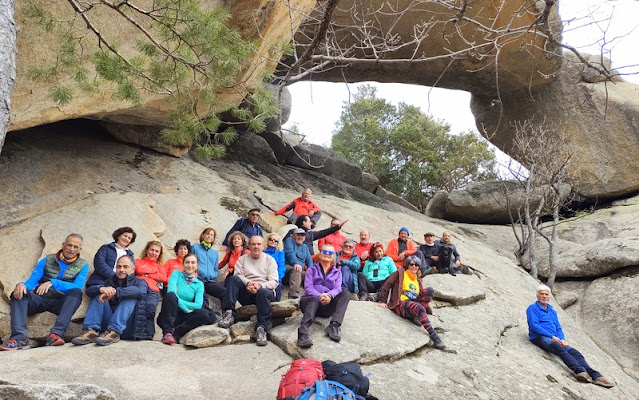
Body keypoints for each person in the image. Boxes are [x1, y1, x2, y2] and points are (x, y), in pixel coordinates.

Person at [0, 234, 88, 350]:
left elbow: (77, 286)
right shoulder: (47, 260)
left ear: (80, 249)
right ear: (63, 245)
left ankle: (56, 335)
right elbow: (32, 282)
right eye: (69, 245)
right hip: (40, 299)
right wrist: (21, 284)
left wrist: (53, 282)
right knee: (18, 293)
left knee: (76, 292)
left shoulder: (83, 265)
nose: (72, 249)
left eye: (76, 247)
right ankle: (19, 339)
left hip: (60, 304)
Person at [526, 285, 615, 388]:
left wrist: (562, 339)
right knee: (558, 348)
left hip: (554, 338)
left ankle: (596, 376)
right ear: (537, 295)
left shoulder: (552, 311)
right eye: (542, 294)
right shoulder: (532, 308)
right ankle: (580, 371)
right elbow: (534, 325)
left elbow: (558, 328)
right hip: (539, 337)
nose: (544, 296)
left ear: (549, 296)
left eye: (546, 294)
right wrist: (553, 337)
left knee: (576, 353)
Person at [72, 255, 148, 346]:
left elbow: (140, 291)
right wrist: (101, 289)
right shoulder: (109, 282)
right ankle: (91, 332)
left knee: (130, 296)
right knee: (98, 295)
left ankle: (114, 332)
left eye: (125, 267)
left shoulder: (140, 282)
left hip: (128, 327)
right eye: (119, 266)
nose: (121, 269)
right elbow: (89, 291)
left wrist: (115, 292)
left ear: (133, 269)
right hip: (107, 328)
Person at [218, 236, 279, 347]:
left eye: (259, 244)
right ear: (249, 246)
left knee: (263, 292)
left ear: (263, 246)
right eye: (253, 244)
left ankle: (261, 329)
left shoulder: (270, 260)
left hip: (264, 292)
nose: (256, 247)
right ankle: (229, 313)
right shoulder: (242, 259)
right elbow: (238, 275)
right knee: (233, 279)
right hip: (247, 291)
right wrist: (248, 283)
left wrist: (260, 286)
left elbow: (274, 281)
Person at [378, 256, 445, 349]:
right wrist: (383, 301)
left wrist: (430, 312)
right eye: (411, 264)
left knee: (429, 290)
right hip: (401, 304)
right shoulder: (400, 273)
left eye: (417, 265)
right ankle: (434, 335)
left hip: (415, 303)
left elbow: (423, 299)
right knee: (419, 307)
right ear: (407, 265)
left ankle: (415, 316)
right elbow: (387, 285)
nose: (414, 267)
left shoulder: (418, 280)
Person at [297, 245, 351, 348]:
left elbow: (337, 289)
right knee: (313, 298)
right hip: (310, 302)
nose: (327, 254)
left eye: (331, 253)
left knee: (346, 293)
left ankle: (334, 326)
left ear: (333, 256)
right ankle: (303, 334)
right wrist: (320, 295)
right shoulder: (311, 270)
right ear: (320, 254)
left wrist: (329, 296)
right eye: (325, 251)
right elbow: (308, 288)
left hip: (327, 305)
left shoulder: (337, 272)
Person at [157, 253, 217, 344]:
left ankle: (177, 334)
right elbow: (171, 293)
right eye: (187, 262)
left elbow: (198, 305)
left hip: (185, 317)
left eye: (193, 263)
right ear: (183, 264)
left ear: (197, 265)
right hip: (171, 314)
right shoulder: (176, 274)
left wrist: (179, 300)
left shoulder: (199, 284)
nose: (190, 265)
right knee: (171, 296)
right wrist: (185, 307)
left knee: (204, 313)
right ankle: (168, 333)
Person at [135, 240, 167, 338]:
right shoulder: (138, 261)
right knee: (139, 308)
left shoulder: (160, 267)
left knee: (150, 309)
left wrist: (146, 274)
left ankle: (149, 335)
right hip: (140, 287)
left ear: (159, 254)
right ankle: (136, 334)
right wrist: (154, 272)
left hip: (153, 290)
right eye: (152, 250)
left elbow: (164, 278)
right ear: (146, 250)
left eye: (156, 251)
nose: (154, 253)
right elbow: (138, 269)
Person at [192, 228, 226, 307]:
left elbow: (215, 269)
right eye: (207, 234)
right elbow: (191, 262)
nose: (209, 236)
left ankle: (226, 314)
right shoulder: (195, 248)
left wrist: (212, 275)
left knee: (225, 292)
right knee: (203, 297)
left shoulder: (214, 253)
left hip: (209, 281)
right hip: (198, 279)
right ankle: (207, 316)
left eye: (212, 235)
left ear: (213, 238)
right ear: (203, 235)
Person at [284, 215, 348, 256]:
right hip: (297, 257)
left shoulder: (310, 234)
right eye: (309, 221)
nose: (311, 223)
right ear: (304, 222)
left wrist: (338, 227)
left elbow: (323, 232)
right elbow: (285, 245)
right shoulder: (293, 231)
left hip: (310, 259)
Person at [283, 228, 313, 299]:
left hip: (298, 272)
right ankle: (293, 294)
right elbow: (290, 254)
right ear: (294, 236)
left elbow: (309, 260)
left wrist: (311, 269)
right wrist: (295, 263)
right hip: (287, 269)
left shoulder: (305, 246)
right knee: (296, 269)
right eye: (298, 235)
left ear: (305, 237)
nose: (300, 237)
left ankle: (310, 294)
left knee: (308, 274)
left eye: (302, 235)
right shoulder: (289, 241)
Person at [265, 233, 286, 301]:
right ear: (267, 240)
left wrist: (278, 278)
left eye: (275, 240)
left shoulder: (280, 252)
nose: (273, 241)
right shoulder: (262, 251)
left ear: (278, 243)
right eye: (271, 239)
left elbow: (281, 266)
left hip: (275, 275)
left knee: (278, 285)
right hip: (263, 274)